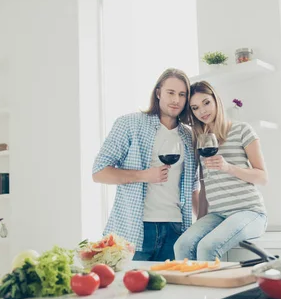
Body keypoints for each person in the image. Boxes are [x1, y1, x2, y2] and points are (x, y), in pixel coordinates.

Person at [92, 68, 199, 261]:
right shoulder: (130, 124)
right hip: (136, 229)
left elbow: (193, 187)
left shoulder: (189, 135)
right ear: (158, 93)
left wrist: (202, 227)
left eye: (182, 95)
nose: (176, 100)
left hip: (176, 230)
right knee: (130, 289)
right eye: (171, 92)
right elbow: (99, 172)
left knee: (171, 290)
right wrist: (143, 175)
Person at [174, 81, 268, 261]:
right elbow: (203, 185)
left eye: (206, 103)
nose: (202, 111)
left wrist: (228, 167)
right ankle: (191, 289)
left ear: (216, 100)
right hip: (217, 214)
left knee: (208, 247)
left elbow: (262, 177)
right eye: (195, 108)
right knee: (182, 245)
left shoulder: (242, 130)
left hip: (249, 211)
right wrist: (200, 221)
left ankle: (209, 290)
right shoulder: (200, 140)